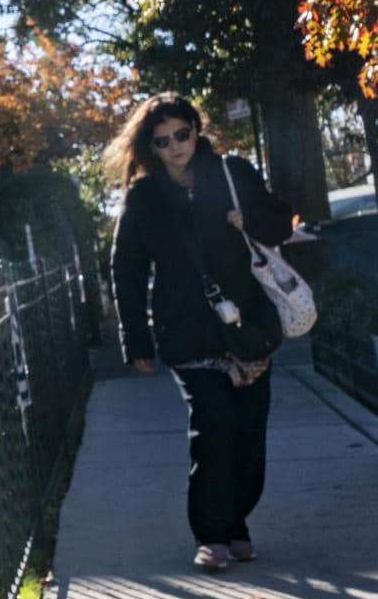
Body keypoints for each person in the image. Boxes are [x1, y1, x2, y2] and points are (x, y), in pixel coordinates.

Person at [108, 93, 295, 572]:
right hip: (187, 331)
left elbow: (280, 223)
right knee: (214, 428)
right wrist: (136, 340)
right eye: (163, 140)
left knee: (249, 433)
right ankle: (212, 534)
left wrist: (247, 220)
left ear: (197, 129)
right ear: (151, 147)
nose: (175, 147)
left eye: (182, 134)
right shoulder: (145, 197)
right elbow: (126, 268)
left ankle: (236, 524)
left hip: (249, 326)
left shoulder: (233, 173)